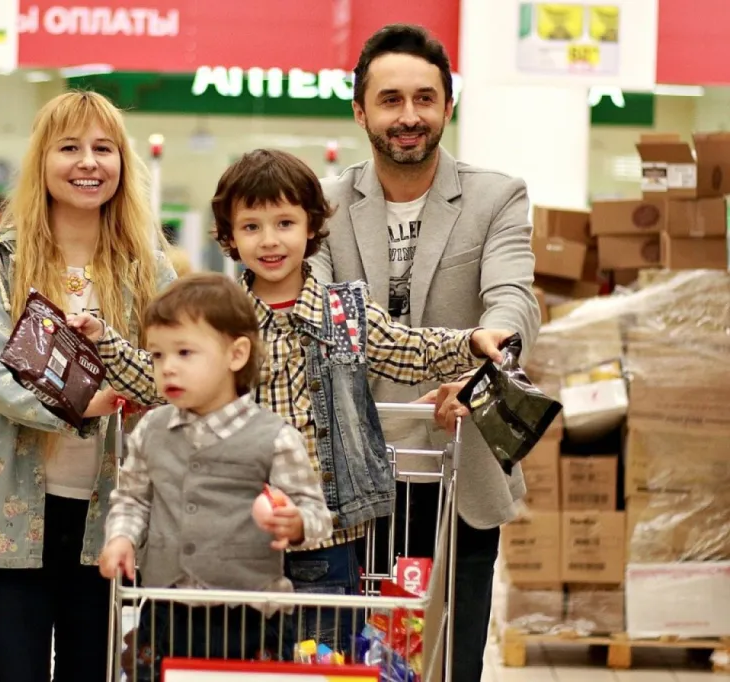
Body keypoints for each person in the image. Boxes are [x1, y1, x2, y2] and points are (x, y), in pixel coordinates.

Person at [70, 148, 514, 654]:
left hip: (326, 538)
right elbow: (159, 379)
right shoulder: (221, 318)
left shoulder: (341, 311)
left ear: (311, 227)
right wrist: (104, 342)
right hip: (233, 543)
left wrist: (470, 341)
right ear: (230, 237)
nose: (270, 240)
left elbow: (404, 348)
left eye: (285, 222)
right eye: (252, 226)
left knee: (318, 660)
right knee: (238, 660)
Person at [309, 24, 540, 681]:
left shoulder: (497, 196)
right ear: (360, 110)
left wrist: (482, 370)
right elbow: (322, 319)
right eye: (389, 100)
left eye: (424, 98)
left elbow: (512, 300)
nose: (408, 116)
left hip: (459, 466)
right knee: (347, 664)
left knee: (450, 662)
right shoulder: (319, 205)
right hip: (348, 478)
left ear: (448, 104)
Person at [0, 90, 176, 682]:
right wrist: (90, 402)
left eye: (103, 148)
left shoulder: (149, 268)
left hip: (113, 518)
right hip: (4, 514)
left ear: (123, 163)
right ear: (42, 161)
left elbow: (176, 367)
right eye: (69, 148)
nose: (88, 162)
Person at [98, 273, 334, 679]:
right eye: (157, 356)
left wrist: (297, 525)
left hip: (251, 619)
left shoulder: (275, 437)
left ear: (236, 354)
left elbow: (317, 514)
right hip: (165, 609)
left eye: (185, 352)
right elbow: (133, 498)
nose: (167, 368)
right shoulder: (152, 430)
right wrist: (121, 537)